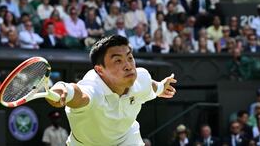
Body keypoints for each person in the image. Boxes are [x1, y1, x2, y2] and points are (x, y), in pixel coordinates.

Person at [47, 35, 177, 145]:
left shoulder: (141, 78)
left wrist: (161, 87)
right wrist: (63, 88)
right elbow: (79, 94)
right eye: (118, 61)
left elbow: (150, 86)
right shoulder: (93, 88)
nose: (128, 66)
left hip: (127, 139)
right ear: (99, 70)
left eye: (130, 58)